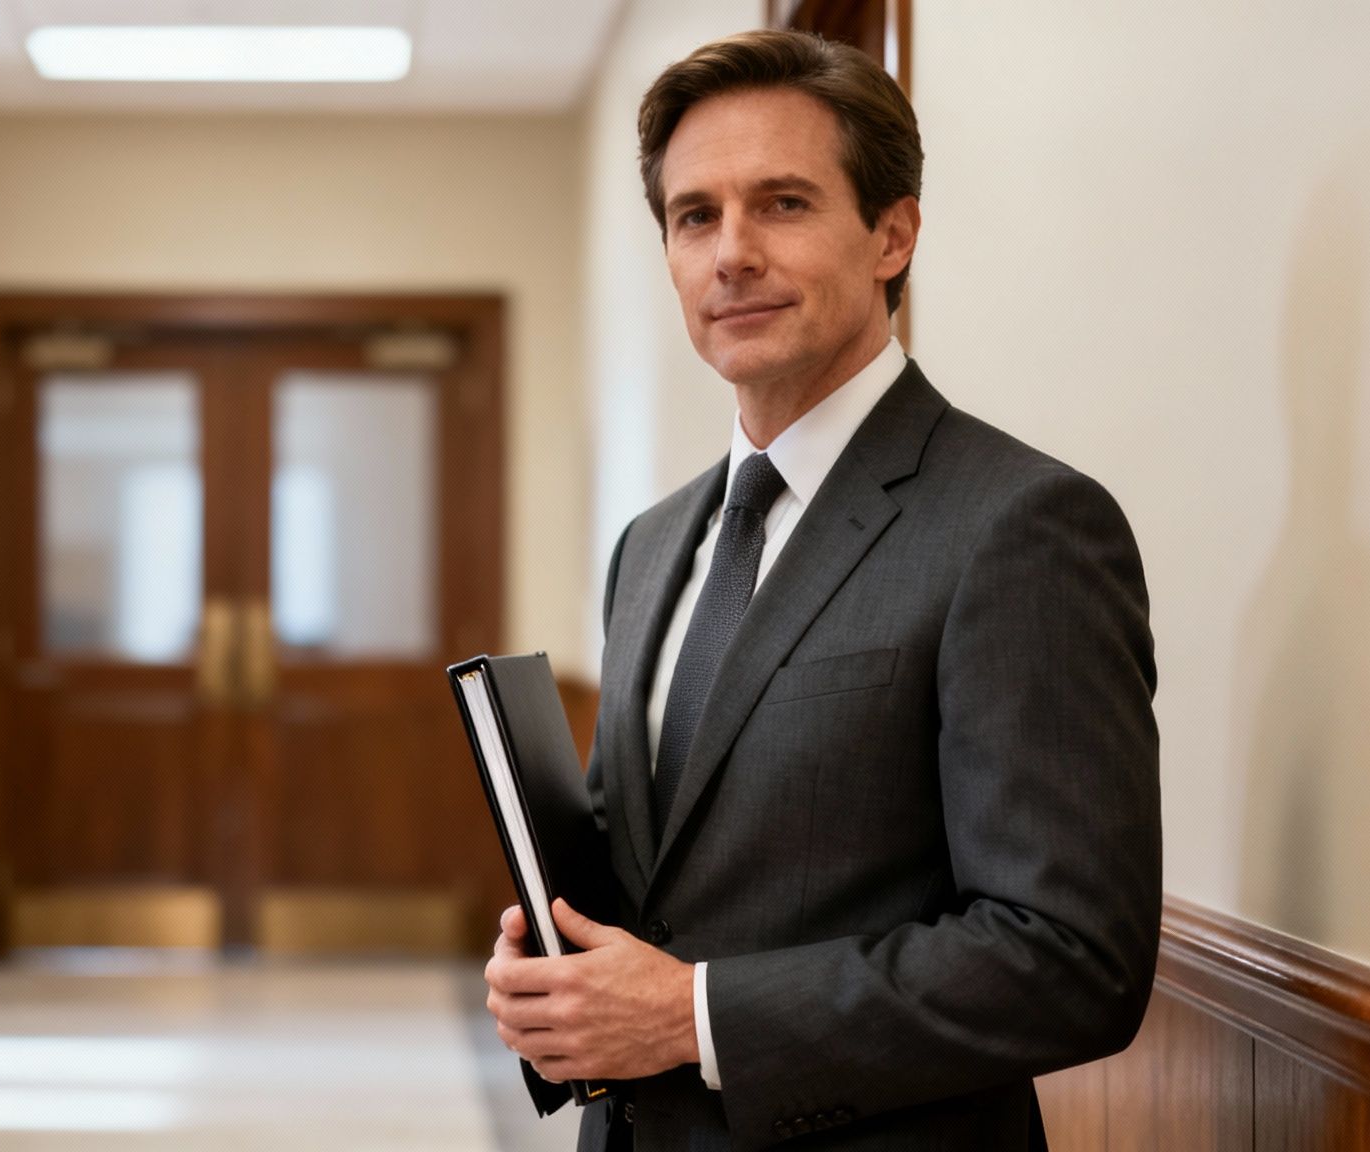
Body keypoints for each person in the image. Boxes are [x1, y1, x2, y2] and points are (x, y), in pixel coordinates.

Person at [482, 29, 1161, 1151]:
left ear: (891, 233)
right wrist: (550, 960)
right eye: (694, 216)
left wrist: (693, 1016)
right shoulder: (651, 546)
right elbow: (653, 874)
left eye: (782, 203)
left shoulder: (1019, 525)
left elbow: (1068, 958)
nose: (729, 254)